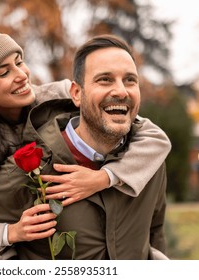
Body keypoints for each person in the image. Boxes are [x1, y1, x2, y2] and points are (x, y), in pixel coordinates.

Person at [0, 30, 171, 259]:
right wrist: (11, 232)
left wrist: (104, 178)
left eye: (19, 62)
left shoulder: (61, 94)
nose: (21, 75)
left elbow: (153, 137)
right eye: (4, 73)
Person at [14, 34, 168, 259]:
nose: (121, 91)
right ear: (76, 93)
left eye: (130, 80)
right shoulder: (29, 167)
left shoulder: (151, 161)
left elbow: (155, 233)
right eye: (105, 79)